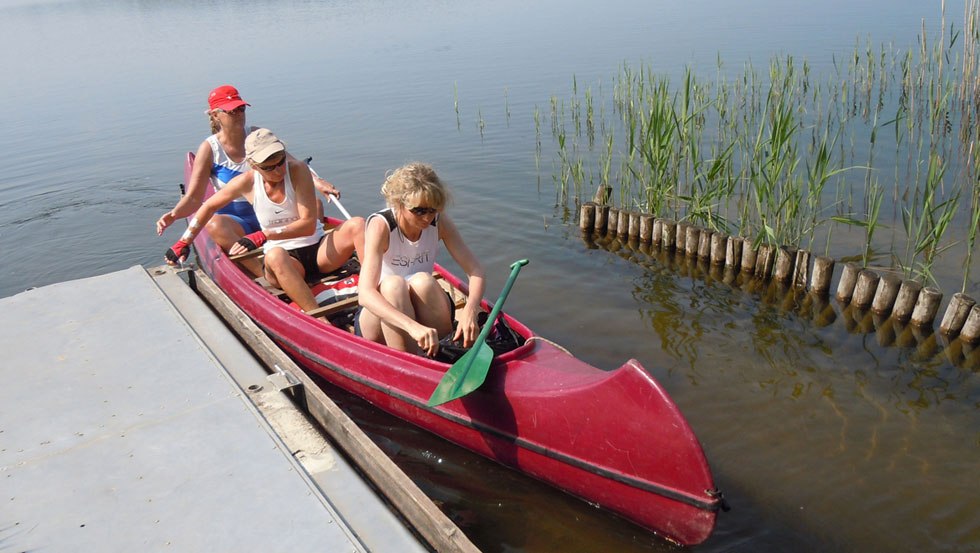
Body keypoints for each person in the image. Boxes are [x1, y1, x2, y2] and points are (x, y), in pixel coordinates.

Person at [165, 128, 365, 313]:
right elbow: (207, 207)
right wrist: (184, 241)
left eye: (280, 162)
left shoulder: (298, 170)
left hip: (320, 252)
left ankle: (375, 289)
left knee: (358, 224)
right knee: (275, 255)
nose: (278, 171)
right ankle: (319, 318)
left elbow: (308, 225)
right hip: (287, 262)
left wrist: (263, 235)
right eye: (269, 168)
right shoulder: (247, 182)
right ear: (253, 165)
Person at [156, 85, 342, 275]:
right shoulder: (210, 149)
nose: (238, 115)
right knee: (215, 225)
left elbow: (292, 164)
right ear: (215, 115)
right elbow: (195, 199)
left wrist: (319, 183)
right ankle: (262, 274)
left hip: (274, 213)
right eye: (231, 111)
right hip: (238, 220)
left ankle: (313, 254)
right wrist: (175, 215)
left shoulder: (258, 136)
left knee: (315, 204)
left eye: (241, 109)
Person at [356, 163, 485, 357]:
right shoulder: (380, 226)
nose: (427, 218)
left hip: (422, 306)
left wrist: (470, 310)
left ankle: (446, 353)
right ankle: (408, 361)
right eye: (419, 211)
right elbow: (365, 294)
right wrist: (412, 327)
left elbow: (476, 271)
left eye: (433, 210)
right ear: (399, 204)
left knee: (423, 281)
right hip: (381, 317)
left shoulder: (439, 222)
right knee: (394, 285)